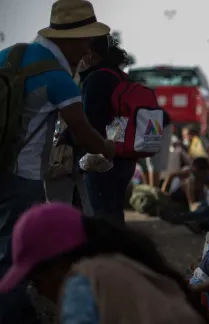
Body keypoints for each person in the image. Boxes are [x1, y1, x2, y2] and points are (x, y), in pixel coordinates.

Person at [0, 1, 116, 322]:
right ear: (72, 39)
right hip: (23, 178)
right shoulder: (58, 78)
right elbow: (82, 133)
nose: (88, 48)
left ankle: (24, 311)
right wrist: (108, 147)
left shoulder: (10, 56)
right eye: (87, 39)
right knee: (12, 255)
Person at [0, 202, 209, 324]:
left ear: (56, 265)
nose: (41, 293)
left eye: (35, 282)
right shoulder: (130, 266)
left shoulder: (81, 284)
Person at [77, 34, 138, 225]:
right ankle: (119, 252)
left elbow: (89, 121)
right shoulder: (122, 77)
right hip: (126, 156)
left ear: (90, 54)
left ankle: (109, 252)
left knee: (100, 216)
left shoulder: (95, 78)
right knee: (115, 211)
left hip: (102, 157)